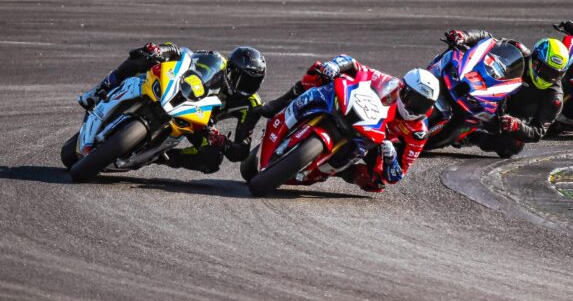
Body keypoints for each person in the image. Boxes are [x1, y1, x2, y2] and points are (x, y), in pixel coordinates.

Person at [258, 54, 439, 192]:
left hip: (375, 142)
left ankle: (330, 171)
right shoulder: (390, 84)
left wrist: (391, 158)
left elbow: (396, 176)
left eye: (424, 105)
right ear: (404, 90)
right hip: (356, 111)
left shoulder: (418, 132)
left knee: (377, 183)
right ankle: (282, 103)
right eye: (415, 100)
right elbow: (354, 64)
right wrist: (335, 65)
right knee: (319, 70)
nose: (416, 108)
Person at [78, 42, 266, 173]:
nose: (246, 87)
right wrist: (159, 50)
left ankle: (160, 155)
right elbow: (183, 53)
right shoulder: (215, 60)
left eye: (253, 82)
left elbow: (241, 151)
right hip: (178, 93)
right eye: (243, 79)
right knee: (144, 56)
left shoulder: (251, 105)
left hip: (199, 123)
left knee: (212, 159)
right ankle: (98, 91)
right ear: (232, 69)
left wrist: (221, 142)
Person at [442, 29, 569, 157]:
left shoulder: (555, 98)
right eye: (545, 70)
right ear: (535, 58)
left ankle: (468, 137)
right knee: (457, 50)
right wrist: (465, 36)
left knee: (513, 146)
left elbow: (539, 131)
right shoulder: (518, 50)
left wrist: (517, 126)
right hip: (486, 88)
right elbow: (489, 40)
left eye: (554, 74)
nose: (548, 77)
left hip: (508, 117)